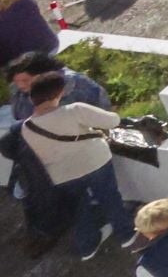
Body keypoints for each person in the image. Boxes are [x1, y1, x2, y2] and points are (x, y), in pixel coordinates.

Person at [19, 71, 135, 258]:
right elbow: (113, 120)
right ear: (59, 93)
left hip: (62, 175)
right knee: (110, 198)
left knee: (80, 211)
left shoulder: (27, 127)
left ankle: (88, 246)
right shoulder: (74, 110)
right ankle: (126, 235)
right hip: (95, 162)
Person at [7, 49, 108, 120]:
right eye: (17, 82)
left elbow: (101, 108)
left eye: (25, 80)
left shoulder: (74, 84)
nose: (21, 86)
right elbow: (20, 118)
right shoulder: (18, 92)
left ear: (44, 74)